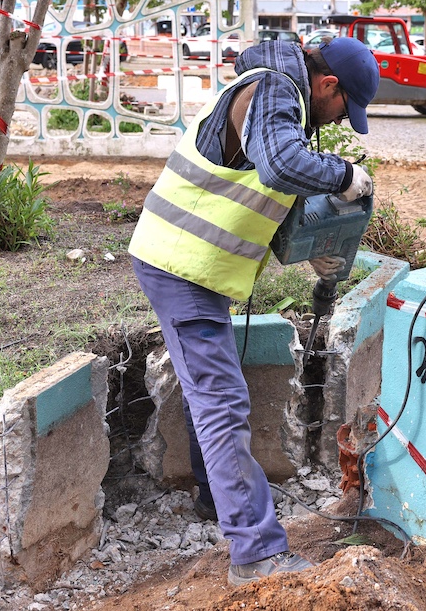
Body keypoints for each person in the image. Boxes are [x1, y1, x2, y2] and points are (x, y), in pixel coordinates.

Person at [127, 37, 379, 586]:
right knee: (222, 403)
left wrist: (315, 250)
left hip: (193, 265)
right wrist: (342, 176)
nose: (337, 122)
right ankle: (256, 553)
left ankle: (214, 501)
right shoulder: (275, 88)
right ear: (328, 85)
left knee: (209, 390)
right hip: (181, 266)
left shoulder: (277, 94)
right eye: (342, 110)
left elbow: (254, 193)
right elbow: (281, 166)